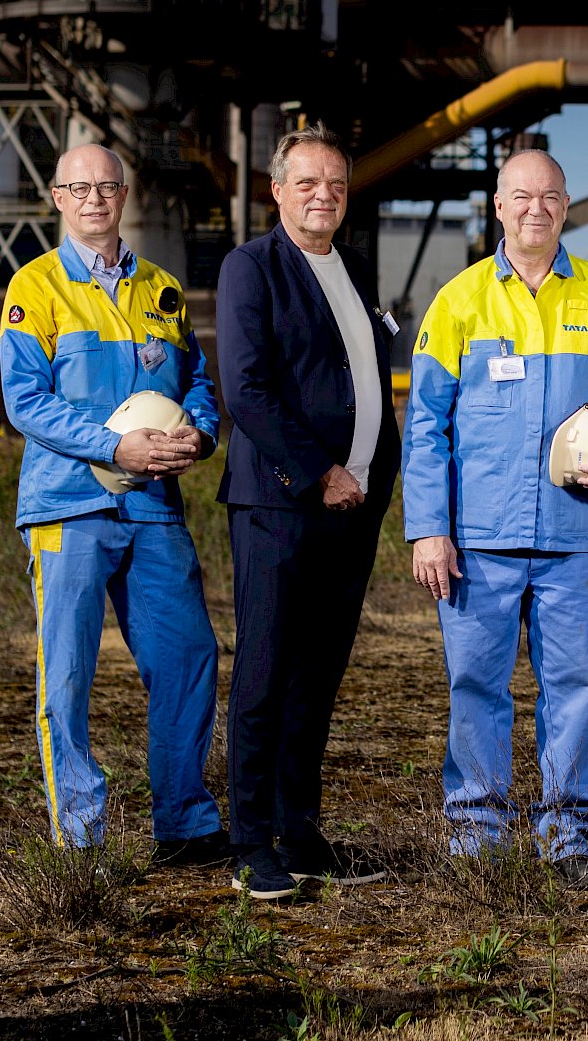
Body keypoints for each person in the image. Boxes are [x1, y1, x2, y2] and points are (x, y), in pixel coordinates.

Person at [403, 148, 588, 888]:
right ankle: (477, 835)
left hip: (572, 533)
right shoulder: (459, 302)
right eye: (520, 196)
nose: (535, 208)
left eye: (549, 196)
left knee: (573, 688)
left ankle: (568, 833)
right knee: (475, 686)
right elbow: (424, 425)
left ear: (566, 205)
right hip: (478, 541)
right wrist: (429, 526)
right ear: (498, 206)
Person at [0, 142, 224, 863]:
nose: (95, 197)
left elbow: (197, 384)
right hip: (69, 507)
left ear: (124, 195)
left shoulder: (162, 289)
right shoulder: (34, 288)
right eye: (79, 187)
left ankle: (185, 824)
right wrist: (110, 446)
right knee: (66, 673)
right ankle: (81, 841)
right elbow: (24, 400)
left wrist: (200, 434)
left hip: (153, 507)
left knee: (188, 657)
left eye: (107, 186)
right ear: (58, 198)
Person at [216, 123, 401, 901]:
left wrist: (364, 476)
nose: (324, 195)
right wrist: (319, 471)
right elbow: (246, 390)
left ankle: (301, 830)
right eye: (308, 183)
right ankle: (250, 843)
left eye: (336, 184)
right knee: (264, 674)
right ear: (276, 190)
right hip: (282, 504)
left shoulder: (354, 268)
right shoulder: (250, 268)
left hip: (351, 509)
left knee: (318, 676)